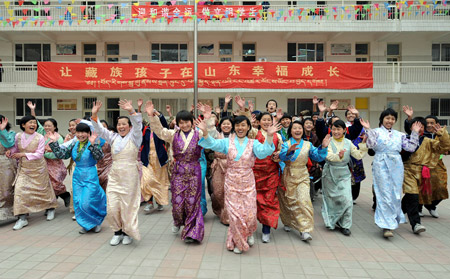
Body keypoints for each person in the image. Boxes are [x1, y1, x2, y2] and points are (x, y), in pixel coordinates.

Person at [197, 115, 280, 254]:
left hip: (248, 181)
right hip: (231, 182)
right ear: (234, 127)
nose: (240, 127)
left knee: (249, 213)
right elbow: (212, 144)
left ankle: (248, 233)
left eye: (243, 125)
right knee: (234, 214)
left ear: (248, 127)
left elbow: (263, 153)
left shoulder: (253, 143)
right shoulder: (227, 142)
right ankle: (237, 242)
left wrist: (270, 136)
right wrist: (205, 132)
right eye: (237, 125)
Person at [145, 101, 207, 244]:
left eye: (187, 122)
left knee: (192, 201)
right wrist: (151, 117)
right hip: (178, 172)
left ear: (192, 122)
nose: (185, 125)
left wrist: (207, 117)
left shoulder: (199, 134)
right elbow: (159, 131)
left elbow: (211, 136)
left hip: (194, 171)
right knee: (178, 202)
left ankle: (193, 232)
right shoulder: (173, 134)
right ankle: (177, 221)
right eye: (181, 123)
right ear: (178, 123)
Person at [90, 100, 143, 246]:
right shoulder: (113, 138)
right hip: (114, 175)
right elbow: (100, 130)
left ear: (129, 126)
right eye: (119, 124)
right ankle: (117, 232)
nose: (121, 127)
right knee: (112, 205)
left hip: (130, 175)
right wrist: (94, 115)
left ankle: (127, 232)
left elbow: (139, 126)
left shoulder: (135, 137)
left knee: (128, 205)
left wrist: (132, 110)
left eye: (124, 124)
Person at [362, 108, 420, 238]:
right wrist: (368, 130)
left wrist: (415, 133)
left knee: (395, 193)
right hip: (380, 163)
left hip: (396, 165)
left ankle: (392, 220)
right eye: (387, 118)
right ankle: (386, 226)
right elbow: (370, 145)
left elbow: (410, 147)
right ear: (382, 119)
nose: (390, 121)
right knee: (384, 194)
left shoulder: (400, 135)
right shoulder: (376, 132)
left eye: (392, 119)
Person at [49, 123, 106, 235]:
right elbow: (62, 155)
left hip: (90, 174)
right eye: (78, 132)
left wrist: (94, 144)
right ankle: (86, 224)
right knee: (78, 201)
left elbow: (99, 157)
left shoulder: (93, 143)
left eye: (83, 132)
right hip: (78, 176)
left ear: (88, 133)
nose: (80, 135)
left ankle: (96, 222)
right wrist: (54, 142)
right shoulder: (74, 144)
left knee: (88, 201)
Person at [279, 120, 330, 241]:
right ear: (290, 131)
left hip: (302, 175)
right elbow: (281, 156)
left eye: (299, 128)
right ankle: (288, 221)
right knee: (288, 202)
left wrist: (323, 147)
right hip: (288, 175)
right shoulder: (286, 143)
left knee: (303, 201)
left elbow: (317, 156)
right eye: (295, 128)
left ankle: (304, 229)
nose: (297, 130)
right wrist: (289, 151)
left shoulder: (308, 144)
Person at [6, 115, 58, 230]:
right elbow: (16, 149)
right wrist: (10, 151)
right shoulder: (18, 136)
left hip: (39, 169)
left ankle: (50, 208)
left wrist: (23, 154)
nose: (33, 125)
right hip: (24, 169)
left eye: (34, 123)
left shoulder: (40, 137)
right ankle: (22, 218)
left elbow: (40, 154)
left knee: (43, 190)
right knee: (20, 191)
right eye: (30, 122)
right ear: (23, 125)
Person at [400, 116, 450, 235]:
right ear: (411, 127)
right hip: (408, 170)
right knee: (413, 195)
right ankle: (416, 223)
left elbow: (444, 148)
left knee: (411, 196)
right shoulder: (405, 139)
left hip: (423, 173)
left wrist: (442, 135)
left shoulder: (428, 141)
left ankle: (399, 211)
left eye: (421, 126)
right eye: (416, 125)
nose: (419, 128)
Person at [321, 120, 368, 236]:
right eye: (334, 129)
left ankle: (345, 225)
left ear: (344, 130)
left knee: (347, 200)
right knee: (331, 200)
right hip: (330, 173)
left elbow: (358, 155)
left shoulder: (348, 142)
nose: (336, 132)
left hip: (344, 174)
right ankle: (332, 222)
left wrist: (363, 144)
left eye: (339, 129)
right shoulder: (329, 141)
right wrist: (338, 155)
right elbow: (328, 156)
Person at [27, 101, 70, 206]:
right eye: (45, 126)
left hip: (55, 164)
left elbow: (58, 153)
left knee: (55, 184)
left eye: (49, 126)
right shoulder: (42, 134)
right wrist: (32, 109)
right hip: (44, 163)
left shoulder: (58, 137)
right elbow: (35, 122)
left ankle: (65, 195)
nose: (46, 128)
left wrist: (45, 153)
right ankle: (50, 205)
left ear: (54, 127)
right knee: (46, 184)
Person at [252, 112, 283, 243]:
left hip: (271, 173)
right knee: (252, 201)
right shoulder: (253, 133)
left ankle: (266, 229)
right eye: (263, 120)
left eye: (268, 120)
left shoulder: (278, 136)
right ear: (259, 122)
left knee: (268, 200)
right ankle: (250, 229)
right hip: (254, 172)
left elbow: (281, 151)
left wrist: (278, 155)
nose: (266, 122)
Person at [138, 98, 170, 213]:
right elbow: (137, 123)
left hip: (160, 159)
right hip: (147, 160)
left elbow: (165, 124)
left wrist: (155, 112)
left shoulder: (161, 131)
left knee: (159, 181)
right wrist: (139, 109)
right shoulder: (145, 130)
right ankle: (150, 202)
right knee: (147, 181)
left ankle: (160, 202)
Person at [208, 116, 233, 225]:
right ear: (220, 125)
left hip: (232, 166)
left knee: (230, 191)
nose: (226, 126)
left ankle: (227, 215)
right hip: (218, 165)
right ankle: (221, 210)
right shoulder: (216, 135)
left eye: (228, 124)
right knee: (218, 191)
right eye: (224, 124)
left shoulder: (236, 136)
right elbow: (207, 133)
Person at [0, 116, 16, 221]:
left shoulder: (11, 133)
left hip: (5, 161)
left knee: (6, 187)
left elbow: (10, 143)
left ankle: (7, 211)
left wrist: (2, 130)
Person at [96, 120, 113, 192]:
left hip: (109, 164)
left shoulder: (111, 137)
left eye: (104, 127)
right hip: (98, 165)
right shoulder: (94, 138)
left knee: (107, 180)